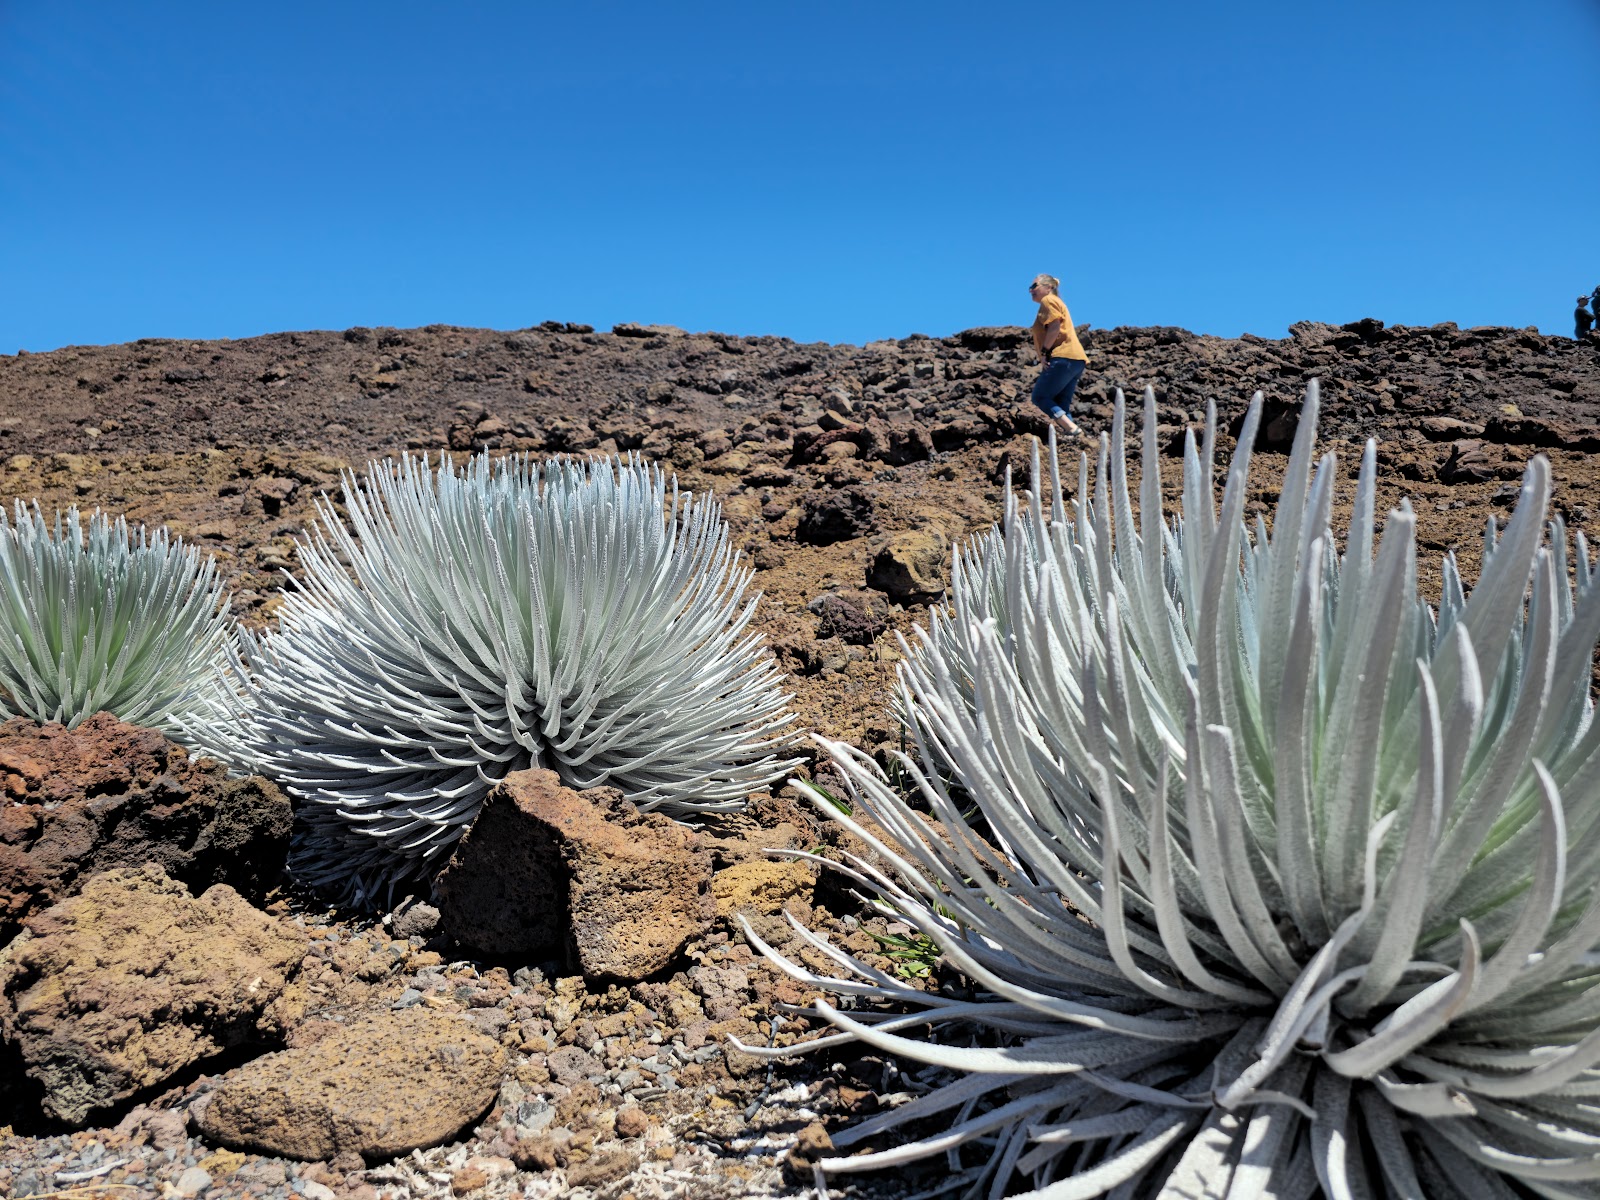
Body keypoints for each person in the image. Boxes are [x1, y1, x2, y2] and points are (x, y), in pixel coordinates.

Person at [1028, 274, 1090, 437]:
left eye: (1034, 286)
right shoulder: (1055, 302)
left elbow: (1054, 327)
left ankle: (1072, 430)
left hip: (1062, 357)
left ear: (1049, 287)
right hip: (1076, 360)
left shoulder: (1048, 300)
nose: (1031, 291)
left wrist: (1044, 352)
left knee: (1040, 397)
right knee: (1060, 403)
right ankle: (1077, 439)